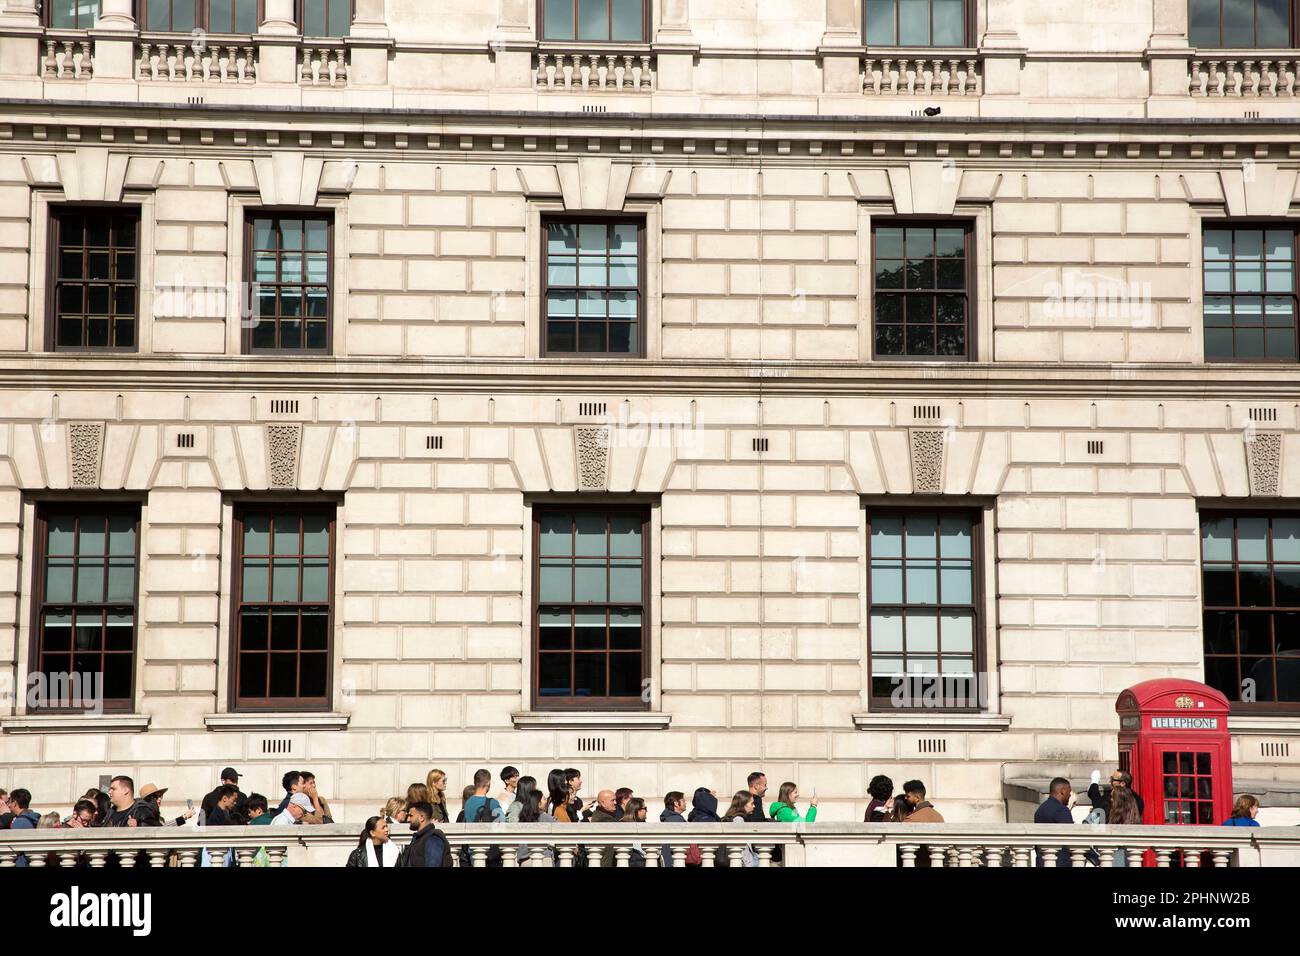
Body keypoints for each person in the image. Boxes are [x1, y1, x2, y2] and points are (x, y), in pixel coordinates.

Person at [1034, 777, 1074, 867]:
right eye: (1069, 792)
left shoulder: (1040, 810)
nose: (1070, 795)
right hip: (1060, 862)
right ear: (1063, 791)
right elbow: (1073, 837)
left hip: (1041, 862)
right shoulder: (1062, 810)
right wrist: (1096, 858)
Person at [514, 784, 555, 865]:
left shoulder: (522, 819)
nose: (546, 801)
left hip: (525, 861)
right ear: (538, 803)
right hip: (544, 860)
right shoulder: (546, 818)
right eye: (544, 799)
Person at [403, 801, 452, 867]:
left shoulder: (433, 839)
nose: (408, 819)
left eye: (411, 816)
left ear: (422, 817)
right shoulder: (419, 838)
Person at [722, 790, 758, 867]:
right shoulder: (738, 820)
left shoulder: (732, 817)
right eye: (752, 803)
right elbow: (741, 846)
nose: (754, 806)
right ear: (743, 804)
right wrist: (748, 864)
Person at [1108, 787, 1142, 867]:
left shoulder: (1118, 824)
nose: (1111, 800)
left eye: (1113, 797)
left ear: (1119, 802)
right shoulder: (1134, 820)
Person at [586, 789, 618, 867]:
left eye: (615, 800)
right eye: (612, 800)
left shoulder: (604, 814)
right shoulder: (604, 818)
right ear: (603, 803)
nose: (615, 803)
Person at [660, 791, 686, 867]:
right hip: (674, 860)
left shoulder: (669, 818)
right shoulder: (676, 820)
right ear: (676, 803)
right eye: (683, 801)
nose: (685, 803)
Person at [621, 797, 649, 866]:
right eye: (645, 808)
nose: (647, 811)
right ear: (638, 810)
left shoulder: (642, 824)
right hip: (632, 862)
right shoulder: (623, 826)